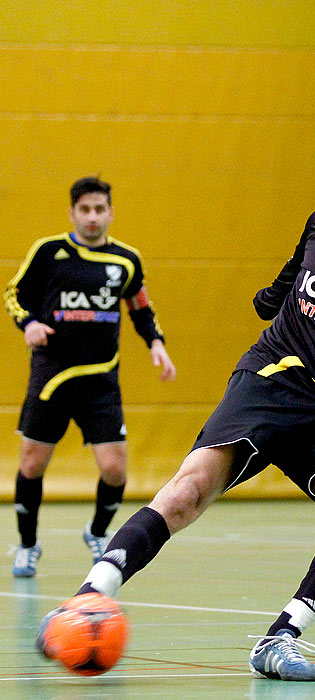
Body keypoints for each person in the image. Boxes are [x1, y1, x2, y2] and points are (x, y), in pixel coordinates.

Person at [38, 142, 315, 682]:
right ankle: (85, 602)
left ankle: (280, 638)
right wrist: (271, 300)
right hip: (272, 379)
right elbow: (288, 279)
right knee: (188, 491)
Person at [5, 177, 176, 578]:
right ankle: (28, 545)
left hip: (101, 380)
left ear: (110, 213)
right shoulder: (48, 252)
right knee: (32, 464)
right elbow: (14, 293)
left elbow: (140, 307)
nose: (93, 217)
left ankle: (97, 532)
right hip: (51, 376)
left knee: (116, 470)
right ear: (73, 213)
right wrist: (28, 323)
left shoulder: (126, 261)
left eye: (100, 209)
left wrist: (156, 343)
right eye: (85, 210)